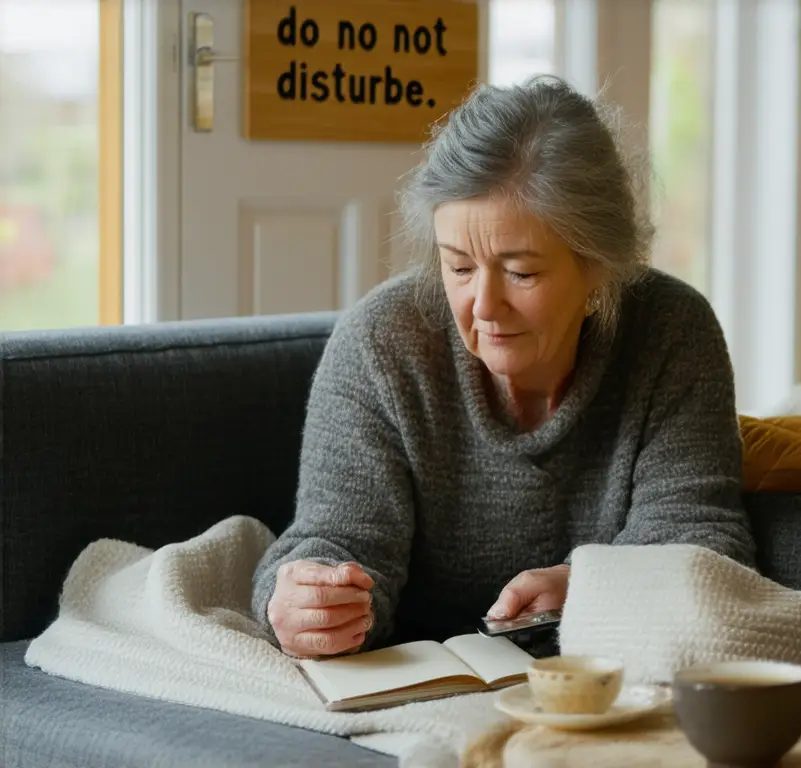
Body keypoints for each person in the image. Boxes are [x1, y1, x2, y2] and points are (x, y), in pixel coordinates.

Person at [251, 76, 756, 659]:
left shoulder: (671, 331)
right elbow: (336, 538)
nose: (484, 307)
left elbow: (703, 541)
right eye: (459, 268)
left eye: (521, 272)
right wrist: (304, 602)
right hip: (420, 680)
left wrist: (587, 589)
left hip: (606, 680)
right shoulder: (381, 341)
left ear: (597, 269)